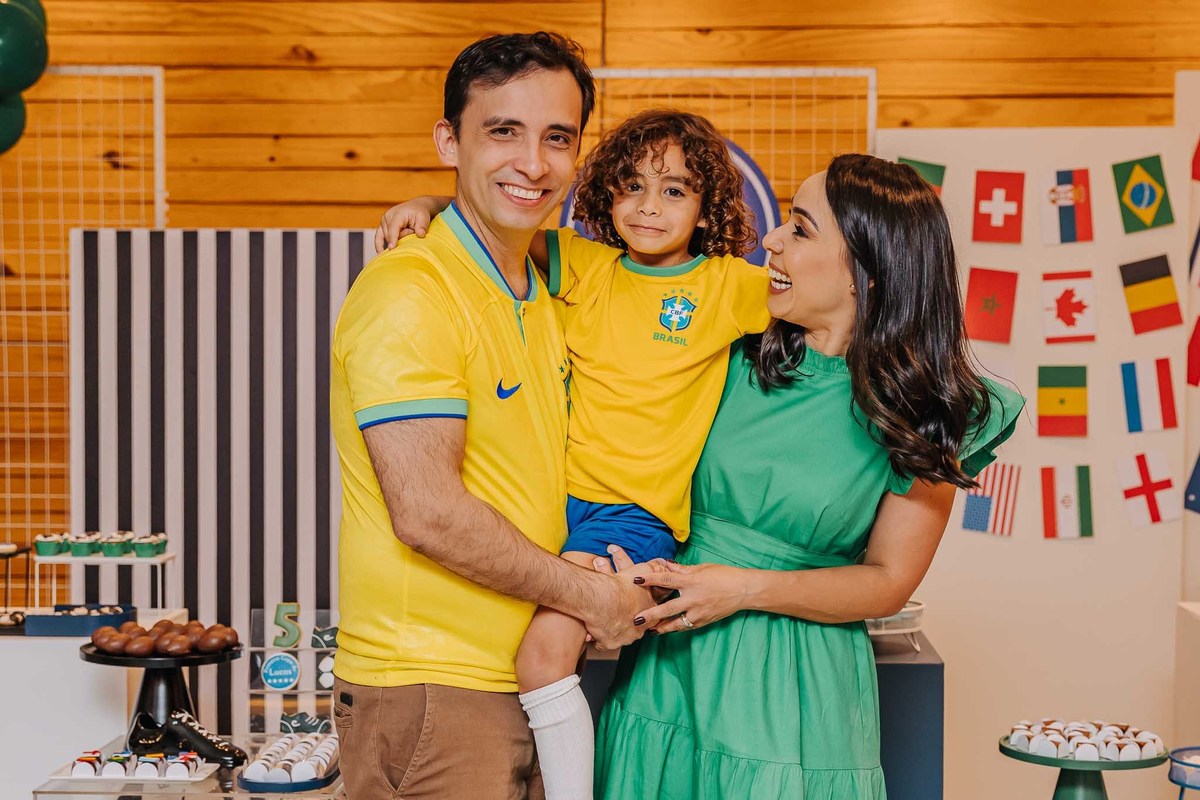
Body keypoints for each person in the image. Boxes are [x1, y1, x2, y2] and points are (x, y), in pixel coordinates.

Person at [593, 153, 1027, 799]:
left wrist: (743, 588)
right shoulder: (724, 347)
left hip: (793, 690)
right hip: (668, 668)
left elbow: (888, 582)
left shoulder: (927, 412)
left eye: (799, 228)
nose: (770, 239)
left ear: (866, 275)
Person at [375, 108, 770, 799]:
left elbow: (831, 299)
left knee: (543, 656)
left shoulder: (726, 286)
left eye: (674, 190)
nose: (648, 206)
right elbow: (493, 223)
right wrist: (430, 202)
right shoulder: (585, 264)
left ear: (707, 205)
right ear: (607, 192)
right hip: (553, 509)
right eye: (633, 186)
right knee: (519, 652)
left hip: (630, 516)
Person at [329, 32, 652, 800]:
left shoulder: (544, 286)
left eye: (557, 138)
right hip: (432, 689)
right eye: (504, 131)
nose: (533, 163)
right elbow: (428, 513)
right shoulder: (411, 292)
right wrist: (591, 598)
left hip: (528, 684)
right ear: (449, 141)